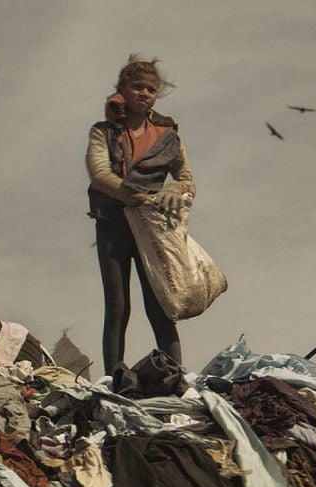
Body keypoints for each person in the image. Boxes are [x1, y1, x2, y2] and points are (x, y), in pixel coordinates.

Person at [85, 55, 195, 374]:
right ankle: (114, 376)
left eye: (150, 89)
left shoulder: (168, 135)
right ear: (122, 90)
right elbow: (100, 174)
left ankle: (175, 376)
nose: (144, 93)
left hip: (152, 229)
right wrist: (139, 197)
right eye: (137, 87)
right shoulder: (103, 132)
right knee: (118, 307)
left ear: (156, 95)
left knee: (160, 306)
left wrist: (175, 192)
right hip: (113, 224)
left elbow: (186, 178)